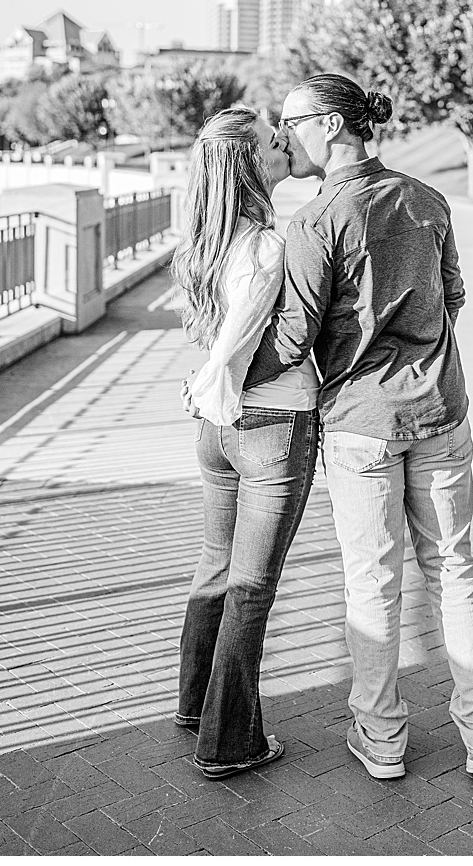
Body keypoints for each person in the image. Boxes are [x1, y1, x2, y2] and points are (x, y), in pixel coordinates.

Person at [243, 73, 473, 781]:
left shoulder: (315, 222)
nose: (282, 134)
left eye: (290, 120)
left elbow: (292, 339)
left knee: (373, 581)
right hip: (441, 410)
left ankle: (382, 734)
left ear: (331, 124)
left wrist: (223, 375)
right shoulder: (427, 200)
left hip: (361, 422)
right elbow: (453, 297)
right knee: (454, 567)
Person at [173, 106, 321, 779]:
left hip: (218, 432)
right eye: (271, 140)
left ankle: (196, 703)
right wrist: (209, 379)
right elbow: (237, 342)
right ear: (251, 165)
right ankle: (229, 741)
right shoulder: (264, 247)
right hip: (270, 426)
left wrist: (204, 387)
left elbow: (218, 341)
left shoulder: (206, 241)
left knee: (216, 566)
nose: (283, 141)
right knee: (251, 588)